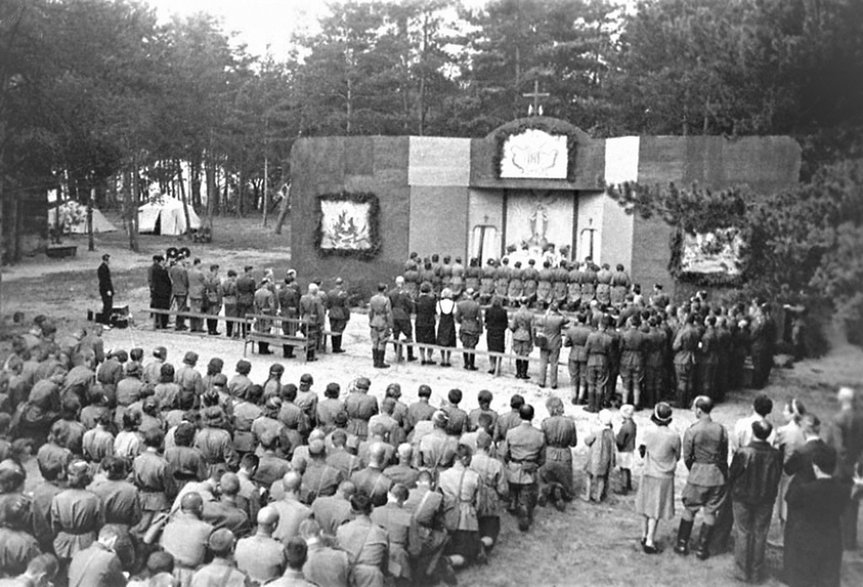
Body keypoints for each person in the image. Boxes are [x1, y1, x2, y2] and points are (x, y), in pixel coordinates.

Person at [784, 445, 849, 587]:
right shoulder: (844, 490)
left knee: (803, 579)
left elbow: (790, 498)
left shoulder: (805, 490)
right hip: (832, 540)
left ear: (816, 467)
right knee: (829, 579)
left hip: (807, 539)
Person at [728, 419, 783, 583]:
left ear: (753, 432)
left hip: (742, 497)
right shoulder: (776, 454)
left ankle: (742, 571)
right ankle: (756, 572)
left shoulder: (743, 452)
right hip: (765, 499)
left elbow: (733, 474)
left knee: (743, 532)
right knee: (760, 534)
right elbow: (777, 476)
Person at [675, 396, 728, 560]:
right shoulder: (721, 429)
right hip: (717, 475)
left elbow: (687, 456)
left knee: (690, 508)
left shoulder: (692, 430)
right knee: (710, 511)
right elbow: (724, 454)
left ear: (698, 410)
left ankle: (682, 544)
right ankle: (702, 549)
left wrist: (696, 469)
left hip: (698, 474)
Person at [635, 402, 680, 554]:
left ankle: (643, 535)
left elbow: (642, 449)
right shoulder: (674, 435)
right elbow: (678, 455)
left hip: (648, 472)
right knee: (656, 509)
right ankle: (649, 540)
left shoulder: (648, 432)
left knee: (646, 506)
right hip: (664, 475)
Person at [822, 386, 863, 550]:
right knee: (853, 504)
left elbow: (838, 448)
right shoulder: (861, 417)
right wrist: (858, 465)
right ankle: (850, 540)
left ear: (842, 400)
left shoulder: (838, 419)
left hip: (840, 469)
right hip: (857, 468)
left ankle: (838, 538)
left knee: (837, 502)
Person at [501, 403, 545, 532]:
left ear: (519, 416)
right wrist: (535, 465)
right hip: (529, 471)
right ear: (533, 416)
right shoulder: (539, 435)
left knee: (513, 489)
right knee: (526, 494)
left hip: (513, 468)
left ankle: (513, 504)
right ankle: (524, 509)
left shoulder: (511, 433)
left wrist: (510, 462)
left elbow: (505, 453)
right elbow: (542, 458)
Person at [336, 493, 389, 587]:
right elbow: (385, 564)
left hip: (348, 575)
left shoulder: (342, 530)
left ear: (352, 510)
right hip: (372, 578)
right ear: (372, 508)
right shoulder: (381, 533)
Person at [539, 396, 577, 509]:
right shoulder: (570, 422)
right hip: (564, 453)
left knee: (545, 474)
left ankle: (547, 491)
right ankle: (561, 492)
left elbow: (542, 442)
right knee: (564, 477)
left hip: (550, 453)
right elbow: (573, 443)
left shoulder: (545, 423)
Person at [583, 409, 616, 503]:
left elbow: (587, 441)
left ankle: (587, 495)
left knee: (588, 476)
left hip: (594, 458)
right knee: (601, 478)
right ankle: (598, 497)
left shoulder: (596, 432)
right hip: (605, 459)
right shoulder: (611, 433)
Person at [534, 301, 568, 389]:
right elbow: (567, 319)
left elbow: (537, 322)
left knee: (543, 363)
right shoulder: (559, 319)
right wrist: (560, 312)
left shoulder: (545, 318)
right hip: (555, 342)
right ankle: (553, 383)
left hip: (545, 342)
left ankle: (541, 381)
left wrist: (546, 313)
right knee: (554, 364)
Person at [389, 276, 417, 363]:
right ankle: (410, 355)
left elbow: (390, 305)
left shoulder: (391, 293)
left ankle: (397, 355)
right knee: (408, 335)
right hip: (404, 316)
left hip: (394, 315)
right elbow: (409, 304)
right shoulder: (406, 293)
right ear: (403, 283)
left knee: (395, 335)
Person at [455, 288, 483, 371]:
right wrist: (480, 329)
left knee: (465, 345)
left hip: (464, 326)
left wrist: (462, 322)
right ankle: (471, 364)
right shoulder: (476, 305)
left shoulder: (460, 304)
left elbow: (457, 317)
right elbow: (480, 318)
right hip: (473, 326)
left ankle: (466, 363)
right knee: (472, 346)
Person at [369, 283, 394, 369]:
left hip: (374, 320)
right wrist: (390, 324)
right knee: (382, 342)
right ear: (385, 290)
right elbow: (388, 313)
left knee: (375, 342)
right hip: (383, 321)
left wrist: (370, 320)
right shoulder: (386, 300)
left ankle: (375, 361)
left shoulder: (372, 299)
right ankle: (380, 362)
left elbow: (370, 311)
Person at [509, 297, 534, 380]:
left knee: (518, 354)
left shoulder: (516, 314)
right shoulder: (530, 314)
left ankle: (518, 372)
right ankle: (524, 373)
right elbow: (532, 328)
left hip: (517, 335)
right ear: (527, 303)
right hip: (526, 336)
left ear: (519, 303)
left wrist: (511, 327)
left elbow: (513, 326)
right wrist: (532, 338)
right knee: (526, 354)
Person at [299, 283, 325, 361]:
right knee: (313, 338)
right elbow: (320, 312)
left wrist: (303, 316)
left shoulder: (303, 298)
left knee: (306, 336)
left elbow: (301, 310)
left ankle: (307, 352)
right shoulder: (317, 299)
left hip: (305, 318)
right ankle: (311, 355)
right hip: (314, 320)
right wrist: (321, 323)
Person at [414, 282, 437, 365]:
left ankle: (422, 357)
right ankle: (429, 357)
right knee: (430, 340)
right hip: (429, 321)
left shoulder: (417, 299)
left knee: (421, 340)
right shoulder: (432, 300)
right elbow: (434, 311)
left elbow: (415, 311)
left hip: (419, 321)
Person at [616, 404, 637, 495]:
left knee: (623, 468)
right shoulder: (633, 424)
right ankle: (629, 484)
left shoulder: (625, 427)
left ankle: (624, 487)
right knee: (628, 468)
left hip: (624, 450)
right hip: (631, 448)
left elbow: (620, 441)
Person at [484, 295, 508, 374]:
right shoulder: (503, 311)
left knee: (491, 349)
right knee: (499, 350)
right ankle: (498, 366)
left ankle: (492, 366)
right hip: (500, 332)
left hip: (491, 332)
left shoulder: (488, 310)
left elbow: (486, 320)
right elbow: (505, 323)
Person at [327, 277, 350, 353]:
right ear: (342, 284)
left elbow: (328, 304)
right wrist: (347, 316)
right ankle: (337, 347)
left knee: (332, 330)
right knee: (339, 330)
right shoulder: (343, 294)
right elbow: (346, 306)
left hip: (332, 312)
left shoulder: (330, 292)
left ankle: (334, 346)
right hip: (340, 313)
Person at [436, 288, 457, 368]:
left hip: (442, 322)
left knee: (442, 341)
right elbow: (454, 312)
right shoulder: (453, 303)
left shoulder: (439, 303)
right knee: (449, 341)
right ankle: (447, 359)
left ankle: (442, 359)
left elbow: (438, 313)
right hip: (450, 323)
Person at [149, 256, 172, 329]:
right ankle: (164, 324)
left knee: (158, 308)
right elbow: (167, 281)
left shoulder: (154, 269)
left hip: (156, 292)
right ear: (161, 261)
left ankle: (158, 323)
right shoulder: (162, 271)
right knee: (165, 309)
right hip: (164, 293)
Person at [169, 258, 190, 331]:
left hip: (175, 289)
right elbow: (185, 281)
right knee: (182, 308)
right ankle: (179, 324)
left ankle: (180, 323)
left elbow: (171, 277)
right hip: (182, 290)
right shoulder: (183, 270)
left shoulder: (172, 269)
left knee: (179, 307)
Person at [203, 264, 222, 335]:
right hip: (215, 298)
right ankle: (214, 330)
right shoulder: (217, 279)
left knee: (209, 314)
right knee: (215, 314)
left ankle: (209, 329)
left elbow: (204, 289)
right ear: (215, 270)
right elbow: (219, 291)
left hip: (208, 297)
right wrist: (220, 301)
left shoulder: (206, 278)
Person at [97, 254, 113, 329]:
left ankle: (108, 321)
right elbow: (104, 281)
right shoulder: (102, 268)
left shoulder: (105, 267)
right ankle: (105, 322)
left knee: (109, 306)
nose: (109, 261)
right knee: (107, 306)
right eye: (108, 259)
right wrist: (108, 290)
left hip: (108, 289)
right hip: (105, 290)